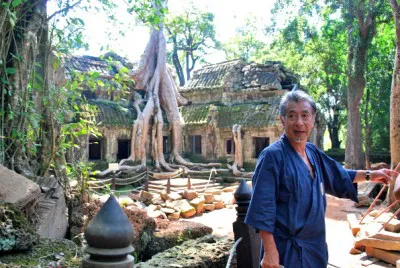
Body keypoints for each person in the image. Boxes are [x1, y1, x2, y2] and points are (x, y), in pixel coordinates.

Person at [244, 90, 395, 268]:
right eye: (292, 116)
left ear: (313, 119)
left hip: (315, 247)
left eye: (305, 115)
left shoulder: (312, 152)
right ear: (282, 120)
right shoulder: (272, 156)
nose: (299, 122)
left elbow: (339, 175)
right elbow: (263, 206)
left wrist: (371, 175)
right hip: (286, 251)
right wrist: (270, 251)